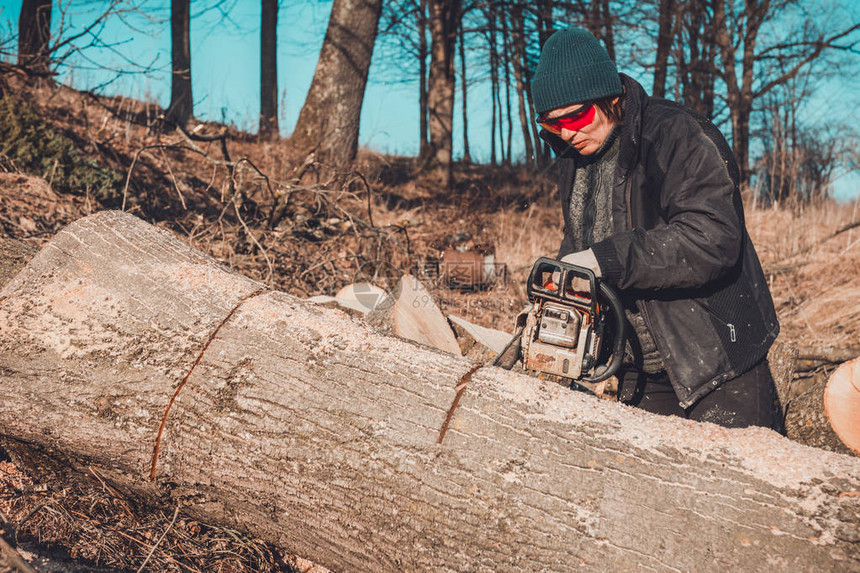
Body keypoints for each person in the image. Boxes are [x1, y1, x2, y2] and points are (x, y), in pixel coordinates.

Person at [529, 26, 780, 428]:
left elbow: (712, 237)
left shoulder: (676, 135)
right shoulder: (574, 157)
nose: (567, 132)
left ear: (609, 97)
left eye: (577, 116)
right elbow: (581, 238)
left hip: (716, 359)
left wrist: (605, 259)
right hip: (637, 367)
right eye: (552, 125)